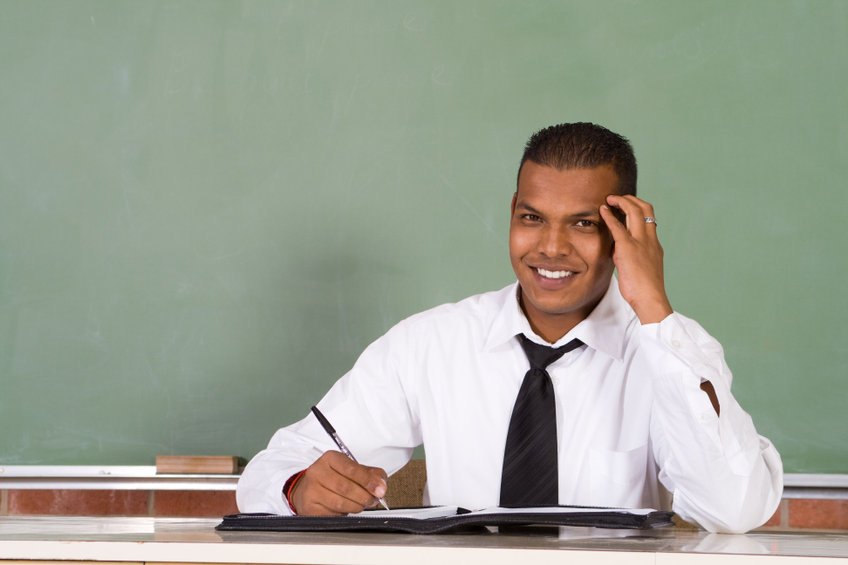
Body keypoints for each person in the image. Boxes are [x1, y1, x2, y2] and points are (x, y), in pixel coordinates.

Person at [236, 122, 783, 533]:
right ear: (513, 213)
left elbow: (734, 508)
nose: (550, 247)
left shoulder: (669, 352)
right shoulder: (430, 344)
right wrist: (299, 486)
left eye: (584, 225)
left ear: (625, 233)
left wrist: (655, 309)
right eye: (532, 218)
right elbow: (271, 469)